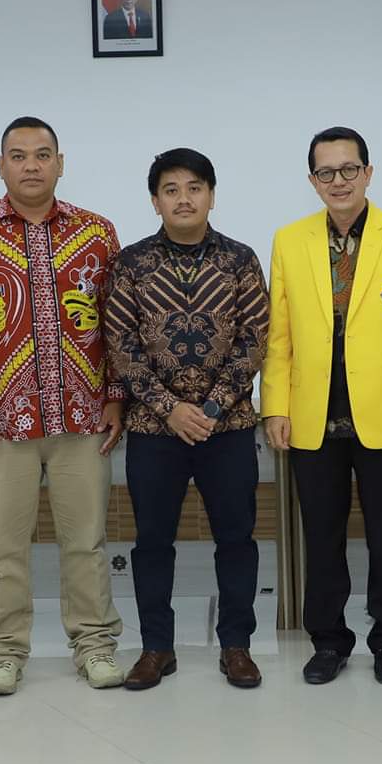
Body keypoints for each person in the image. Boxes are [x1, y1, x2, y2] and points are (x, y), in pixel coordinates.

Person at [0, 117, 128, 696]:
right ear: (1, 165)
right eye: (18, 155)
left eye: (42, 155)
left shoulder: (97, 232)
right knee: (4, 546)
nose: (31, 165)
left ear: (60, 163)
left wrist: (115, 396)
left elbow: (117, 323)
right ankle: (2, 653)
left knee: (86, 542)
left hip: (82, 419)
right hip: (0, 424)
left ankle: (94, 645)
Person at [262, 126, 382, 684]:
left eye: (349, 169)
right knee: (322, 536)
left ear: (368, 173)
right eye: (326, 172)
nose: (339, 181)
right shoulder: (289, 240)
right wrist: (275, 405)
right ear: (313, 180)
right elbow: (279, 335)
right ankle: (328, 641)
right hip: (313, 411)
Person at [103, 148, 271, 690]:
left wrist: (212, 407)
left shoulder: (240, 260)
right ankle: (156, 648)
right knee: (152, 542)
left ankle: (237, 646)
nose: (183, 198)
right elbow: (121, 346)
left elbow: (254, 340)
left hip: (229, 428)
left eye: (194, 187)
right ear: (155, 201)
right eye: (171, 189)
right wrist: (170, 408)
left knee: (237, 539)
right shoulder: (131, 264)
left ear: (211, 196)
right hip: (155, 431)